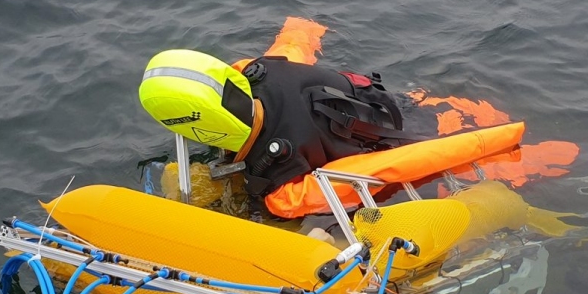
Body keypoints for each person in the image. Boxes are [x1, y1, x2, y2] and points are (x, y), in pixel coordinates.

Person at [139, 49, 427, 198]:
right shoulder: (261, 69)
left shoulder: (283, 187)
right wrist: (306, 26)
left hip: (416, 137)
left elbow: (387, 172)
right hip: (390, 98)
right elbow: (296, 43)